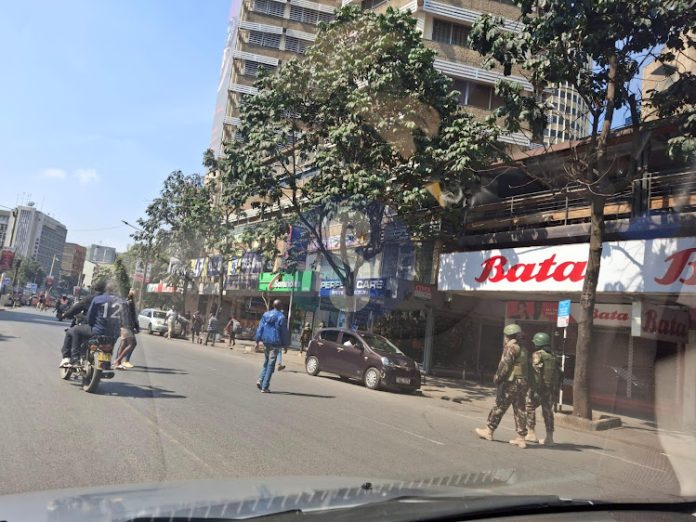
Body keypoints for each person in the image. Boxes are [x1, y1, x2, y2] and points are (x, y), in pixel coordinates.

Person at [475, 323, 530, 449]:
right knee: (520, 410)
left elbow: (505, 366)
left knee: (499, 406)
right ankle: (521, 438)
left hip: (511, 383)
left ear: (508, 336)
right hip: (522, 384)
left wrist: (497, 378)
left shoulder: (512, 348)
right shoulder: (524, 349)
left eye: (505, 336)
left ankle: (489, 431)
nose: (505, 339)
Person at [58, 281, 106, 367]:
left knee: (72, 331)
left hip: (94, 328)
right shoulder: (111, 300)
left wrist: (64, 315)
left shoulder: (91, 299)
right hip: (109, 332)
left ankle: (71, 358)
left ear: (94, 288)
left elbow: (76, 309)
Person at [525, 332, 560, 446]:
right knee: (547, 412)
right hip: (550, 389)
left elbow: (536, 372)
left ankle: (531, 433)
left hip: (539, 388)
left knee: (529, 406)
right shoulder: (552, 356)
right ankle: (549, 438)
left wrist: (533, 387)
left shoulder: (537, 355)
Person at [255, 299, 289, 393]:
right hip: (275, 343)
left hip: (266, 341)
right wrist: (286, 345)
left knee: (266, 362)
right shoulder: (281, 317)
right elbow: (284, 333)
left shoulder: (266, 315)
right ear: (281, 306)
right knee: (270, 364)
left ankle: (260, 380)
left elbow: (260, 328)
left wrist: (257, 340)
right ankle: (265, 387)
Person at [113, 290, 139, 370]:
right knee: (132, 344)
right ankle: (118, 360)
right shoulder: (131, 303)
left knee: (123, 343)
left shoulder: (126, 302)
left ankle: (118, 363)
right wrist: (136, 326)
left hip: (123, 324)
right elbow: (133, 316)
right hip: (127, 326)